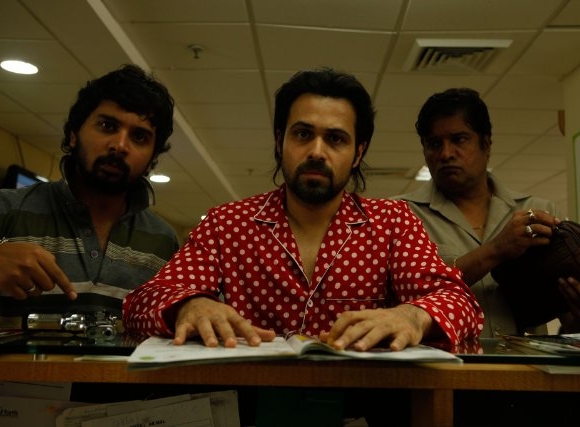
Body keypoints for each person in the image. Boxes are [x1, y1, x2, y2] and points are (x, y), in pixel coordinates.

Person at [123, 67, 482, 350]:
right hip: (251, 401)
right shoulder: (227, 223)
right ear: (280, 141)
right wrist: (188, 306)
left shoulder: (393, 222)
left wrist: (413, 316)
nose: (316, 152)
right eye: (303, 134)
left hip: (364, 401)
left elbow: (460, 302)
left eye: (335, 139)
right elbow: (142, 301)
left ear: (358, 153)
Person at [395, 87, 580, 337]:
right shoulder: (399, 215)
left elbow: (569, 320)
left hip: (527, 361)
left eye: (459, 139)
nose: (446, 154)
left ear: (486, 144)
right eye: (434, 144)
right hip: (445, 361)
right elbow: (405, 294)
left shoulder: (540, 212)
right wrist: (496, 249)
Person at [0, 64, 180, 329]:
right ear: (73, 135)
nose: (120, 145)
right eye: (107, 126)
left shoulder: (164, 240)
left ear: (151, 159)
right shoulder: (2, 208)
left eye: (139, 137)